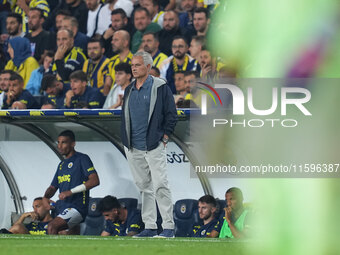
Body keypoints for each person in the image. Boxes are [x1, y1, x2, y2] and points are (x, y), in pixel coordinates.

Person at [121, 51, 177, 238]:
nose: (133, 68)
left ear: (148, 67)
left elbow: (171, 114)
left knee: (161, 185)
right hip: (133, 146)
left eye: (137, 65)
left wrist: (165, 137)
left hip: (154, 145)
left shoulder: (160, 87)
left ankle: (168, 227)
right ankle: (150, 226)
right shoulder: (129, 89)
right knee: (144, 187)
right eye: (132, 66)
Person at [42, 130, 100, 235]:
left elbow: (95, 181)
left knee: (52, 227)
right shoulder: (61, 165)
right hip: (63, 206)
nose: (59, 146)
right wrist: (45, 197)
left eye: (63, 142)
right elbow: (52, 187)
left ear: (73, 144)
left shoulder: (82, 158)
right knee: (69, 237)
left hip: (77, 207)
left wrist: (71, 191)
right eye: (58, 142)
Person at [103, 30, 133, 96]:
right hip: (113, 97)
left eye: (116, 40)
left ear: (125, 43)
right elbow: (107, 84)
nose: (112, 42)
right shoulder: (111, 61)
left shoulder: (134, 61)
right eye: (112, 40)